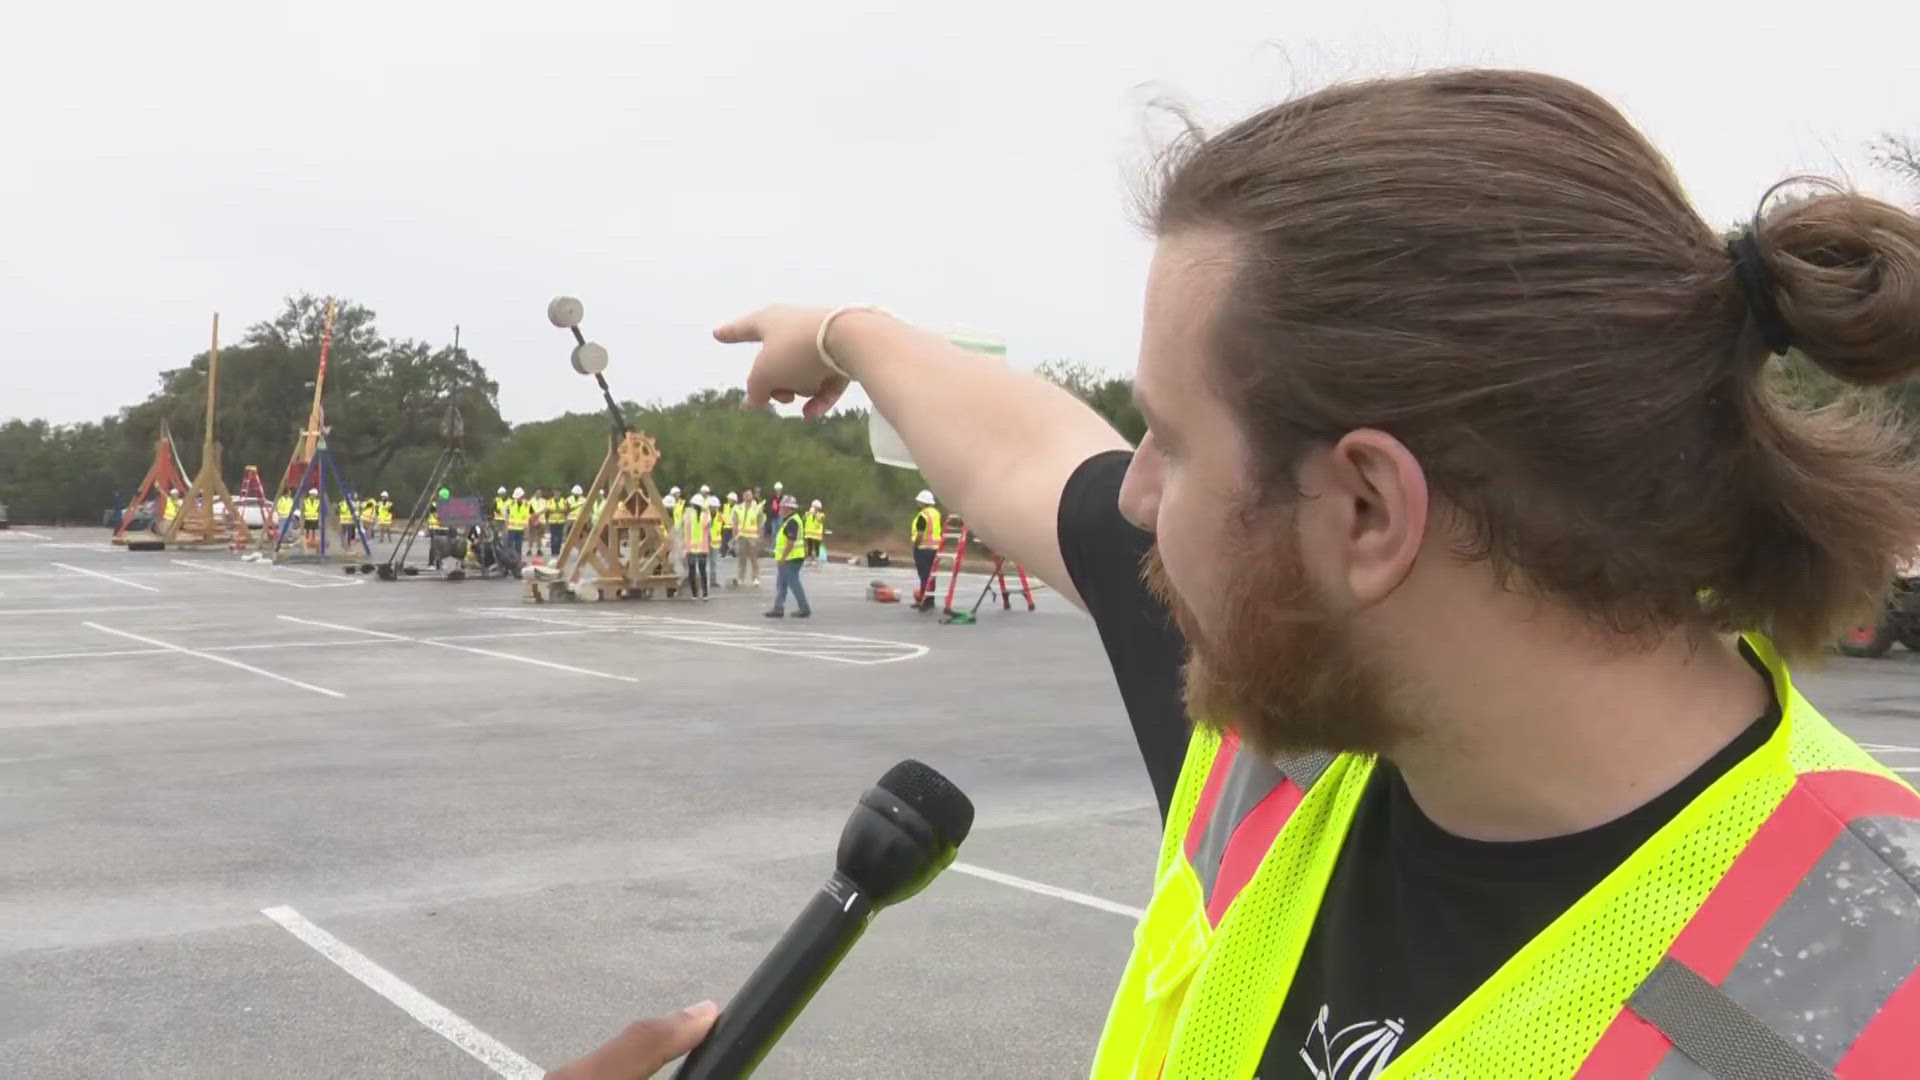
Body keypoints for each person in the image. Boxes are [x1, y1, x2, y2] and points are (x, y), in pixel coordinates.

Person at [557, 69, 1920, 1080]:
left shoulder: (1857, 1002)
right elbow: (1035, 460)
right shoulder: (1314, 735)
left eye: (1175, 440)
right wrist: (845, 333)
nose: (1136, 493)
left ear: (1369, 509)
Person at [764, 494, 811, 619]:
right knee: (782, 584)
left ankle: (804, 608)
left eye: (782, 508)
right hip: (789, 558)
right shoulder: (790, 521)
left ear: (788, 509)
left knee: (793, 584)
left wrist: (783, 557)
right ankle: (778, 608)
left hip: (792, 558)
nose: (780, 510)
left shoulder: (792, 522)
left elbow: (790, 542)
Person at [910, 489, 943, 611]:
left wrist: (915, 546)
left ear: (923, 503)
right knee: (931, 575)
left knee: (924, 575)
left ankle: (925, 601)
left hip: (923, 549)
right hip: (935, 549)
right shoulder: (935, 513)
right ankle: (930, 600)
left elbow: (920, 533)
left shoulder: (922, 516)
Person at [681, 493, 711, 600]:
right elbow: (709, 532)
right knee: (703, 571)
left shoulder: (688, 514)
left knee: (692, 571)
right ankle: (705, 594)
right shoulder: (705, 516)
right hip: (703, 547)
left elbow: (683, 526)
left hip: (690, 547)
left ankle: (694, 594)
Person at [735, 488, 762, 586]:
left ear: (752, 496)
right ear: (743, 496)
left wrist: (760, 536)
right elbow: (735, 522)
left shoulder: (757, 508)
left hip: (753, 537)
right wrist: (735, 535)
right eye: (745, 494)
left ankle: (755, 578)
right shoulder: (739, 508)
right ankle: (741, 578)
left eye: (749, 494)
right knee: (741, 559)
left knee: (754, 558)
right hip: (741, 536)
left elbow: (760, 523)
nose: (747, 496)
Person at [506, 486, 530, 558]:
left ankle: (518, 559)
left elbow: (527, 517)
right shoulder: (510, 504)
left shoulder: (526, 505)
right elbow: (506, 516)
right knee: (510, 545)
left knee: (518, 545)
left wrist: (526, 529)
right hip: (511, 528)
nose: (517, 498)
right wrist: (506, 527)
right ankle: (509, 558)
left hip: (521, 529)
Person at [300, 487, 321, 551]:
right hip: (308, 518)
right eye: (313, 495)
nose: (314, 496)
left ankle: (313, 540)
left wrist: (319, 516)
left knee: (314, 530)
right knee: (307, 530)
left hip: (315, 518)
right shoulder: (306, 501)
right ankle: (307, 540)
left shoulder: (317, 501)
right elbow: (303, 509)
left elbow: (319, 509)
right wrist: (302, 516)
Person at [721, 491, 740, 558]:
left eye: (730, 499)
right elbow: (724, 515)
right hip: (726, 526)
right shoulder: (726, 506)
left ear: (734, 500)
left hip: (734, 526)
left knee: (733, 540)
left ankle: (732, 551)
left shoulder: (737, 507)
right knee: (725, 540)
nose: (728, 500)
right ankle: (723, 552)